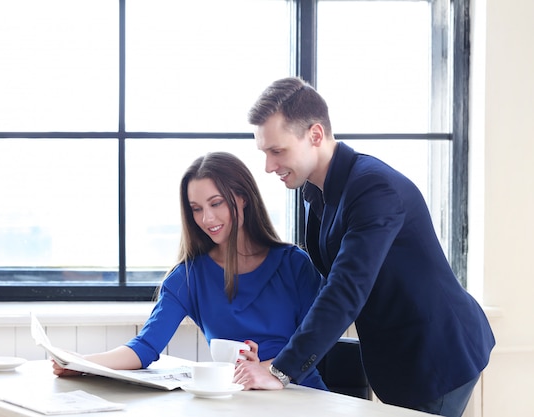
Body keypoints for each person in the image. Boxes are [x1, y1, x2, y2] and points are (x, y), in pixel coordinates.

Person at [236, 76, 495, 417]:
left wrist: (280, 370)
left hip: (437, 356)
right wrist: (276, 356)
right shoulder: (315, 193)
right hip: (396, 360)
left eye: (277, 151)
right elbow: (325, 285)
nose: (268, 166)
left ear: (315, 135)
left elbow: (345, 289)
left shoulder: (373, 188)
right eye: (264, 152)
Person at [52, 151, 327, 391]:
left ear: (243, 197)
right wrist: (83, 363)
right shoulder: (188, 276)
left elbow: (317, 341)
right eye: (196, 209)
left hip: (305, 396)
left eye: (216, 203)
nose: (207, 219)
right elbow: (145, 347)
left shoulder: (294, 264)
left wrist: (266, 369)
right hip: (242, 402)